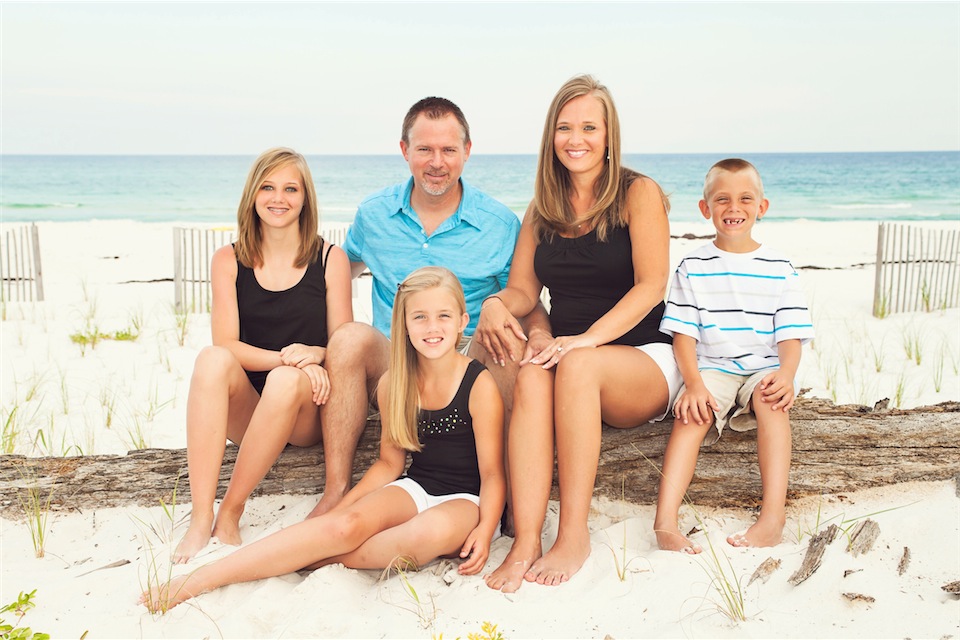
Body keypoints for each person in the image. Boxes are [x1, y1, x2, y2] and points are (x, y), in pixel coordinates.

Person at [143, 267, 505, 611]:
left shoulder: (478, 384)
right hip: (416, 487)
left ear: (462, 321)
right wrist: (347, 505)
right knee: (344, 525)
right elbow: (389, 464)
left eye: (443, 316)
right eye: (420, 317)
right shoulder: (395, 383)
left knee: (425, 535)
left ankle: (310, 557)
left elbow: (491, 474)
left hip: (466, 499)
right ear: (404, 325)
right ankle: (201, 579)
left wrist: (487, 528)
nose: (432, 327)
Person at [481, 75, 682, 592]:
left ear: (609, 135)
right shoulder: (541, 208)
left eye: (590, 127)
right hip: (570, 357)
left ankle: (572, 534)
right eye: (565, 127)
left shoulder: (640, 193)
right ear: (551, 136)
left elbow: (651, 287)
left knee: (576, 364)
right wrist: (500, 306)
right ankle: (527, 538)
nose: (577, 138)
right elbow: (525, 291)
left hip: (644, 357)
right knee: (529, 373)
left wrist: (586, 339)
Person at [309, 96, 547, 518]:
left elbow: (526, 299)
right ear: (405, 150)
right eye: (425, 149)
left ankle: (506, 494)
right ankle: (335, 490)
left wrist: (541, 333)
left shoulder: (499, 224)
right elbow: (336, 273)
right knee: (346, 338)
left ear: (467, 152)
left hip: (469, 364)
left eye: (448, 150)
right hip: (396, 364)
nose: (437, 162)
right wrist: (303, 342)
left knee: (509, 343)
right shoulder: (374, 214)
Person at [172, 148, 353, 563]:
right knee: (210, 359)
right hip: (251, 411)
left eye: (291, 189)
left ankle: (231, 512)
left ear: (306, 198)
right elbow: (227, 345)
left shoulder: (330, 259)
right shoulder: (228, 260)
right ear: (253, 195)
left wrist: (312, 356)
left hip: (306, 407)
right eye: (268, 187)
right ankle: (202, 518)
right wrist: (287, 357)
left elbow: (343, 343)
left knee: (287, 380)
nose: (279, 198)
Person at [654, 158, 814, 552]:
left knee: (771, 403)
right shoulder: (693, 266)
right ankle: (665, 522)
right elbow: (684, 336)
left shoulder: (780, 267)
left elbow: (790, 334)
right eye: (722, 199)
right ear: (705, 209)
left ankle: (772, 518)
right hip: (711, 367)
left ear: (762, 207)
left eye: (745, 198)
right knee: (692, 415)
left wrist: (788, 374)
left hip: (764, 367)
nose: (733, 207)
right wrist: (692, 384)